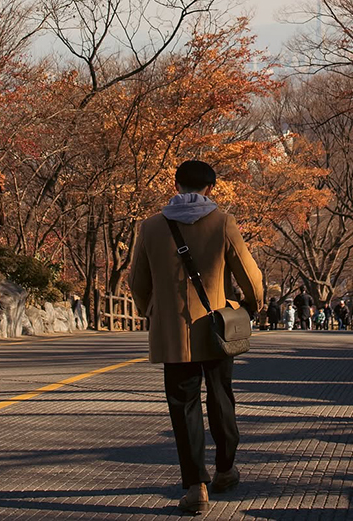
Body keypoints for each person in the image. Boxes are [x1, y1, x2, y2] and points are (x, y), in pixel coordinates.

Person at [129, 160, 263, 515]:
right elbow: (250, 275)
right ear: (210, 188)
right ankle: (224, 470)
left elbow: (137, 282)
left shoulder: (152, 226)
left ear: (176, 185)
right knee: (221, 398)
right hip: (217, 328)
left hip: (173, 334)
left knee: (182, 407)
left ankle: (194, 487)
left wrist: (153, 312)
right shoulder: (222, 222)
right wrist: (250, 306)